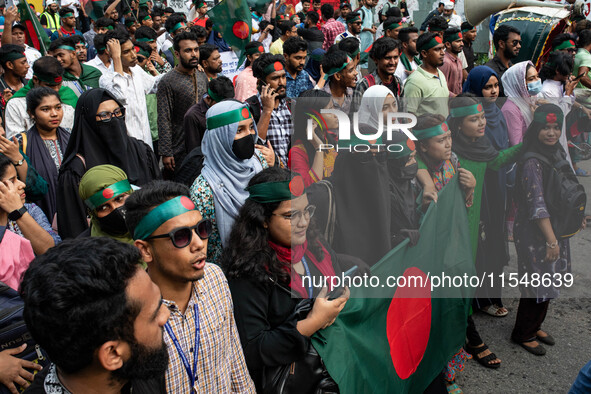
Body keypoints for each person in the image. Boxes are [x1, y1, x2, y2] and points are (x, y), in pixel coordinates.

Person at [222, 167, 349, 392]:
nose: (303, 222)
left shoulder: (317, 249)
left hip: (334, 369)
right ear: (262, 220)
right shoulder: (248, 272)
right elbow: (252, 350)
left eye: (307, 211)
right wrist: (312, 322)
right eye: (291, 215)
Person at [124, 181, 256, 392]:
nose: (199, 243)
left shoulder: (215, 279)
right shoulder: (135, 317)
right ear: (145, 250)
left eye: (202, 229)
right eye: (181, 236)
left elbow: (234, 358)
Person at [19, 237, 170, 393]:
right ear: (112, 354)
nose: (166, 315)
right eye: (154, 315)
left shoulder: (137, 367)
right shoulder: (141, 359)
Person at [511, 104, 582, 356]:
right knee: (536, 282)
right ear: (535, 128)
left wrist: (577, 217)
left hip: (555, 229)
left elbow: (566, 188)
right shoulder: (532, 161)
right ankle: (523, 332)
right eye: (545, 128)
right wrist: (551, 241)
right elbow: (537, 205)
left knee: (550, 280)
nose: (551, 133)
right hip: (537, 233)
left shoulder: (556, 151)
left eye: (556, 128)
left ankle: (536, 325)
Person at [57, 89, 160, 239]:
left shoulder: (141, 151)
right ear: (89, 120)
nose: (114, 119)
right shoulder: (76, 170)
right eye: (104, 115)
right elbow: (74, 228)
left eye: (118, 112)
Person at [189, 100, 273, 264]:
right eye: (239, 130)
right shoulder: (204, 190)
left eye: (250, 127)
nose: (249, 135)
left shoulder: (258, 162)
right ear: (220, 137)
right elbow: (208, 248)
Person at [463, 65, 511, 316]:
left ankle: (493, 295)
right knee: (480, 242)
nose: (493, 92)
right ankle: (479, 301)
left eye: (496, 86)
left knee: (494, 239)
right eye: (487, 87)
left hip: (498, 184)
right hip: (480, 186)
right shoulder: (466, 118)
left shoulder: (497, 114)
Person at [11, 88, 69, 225]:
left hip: (74, 211)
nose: (54, 114)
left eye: (58, 107)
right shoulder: (20, 143)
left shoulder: (71, 137)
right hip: (40, 215)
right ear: (31, 113)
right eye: (45, 109)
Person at [0, 154, 59, 288]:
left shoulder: (30, 210)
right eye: (12, 180)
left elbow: (51, 250)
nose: (22, 184)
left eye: (18, 178)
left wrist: (18, 211)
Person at [99, 30, 160, 149]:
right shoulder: (106, 79)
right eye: (126, 52)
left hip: (146, 143)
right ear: (110, 53)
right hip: (127, 146)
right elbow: (121, 96)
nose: (133, 55)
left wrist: (180, 69)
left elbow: (154, 85)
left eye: (133, 49)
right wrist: (116, 58)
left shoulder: (136, 70)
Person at [157, 31, 207, 177]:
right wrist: (166, 152)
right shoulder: (168, 81)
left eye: (196, 50)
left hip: (204, 144)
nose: (194, 54)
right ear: (177, 54)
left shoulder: (201, 75)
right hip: (180, 147)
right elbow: (164, 117)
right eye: (188, 50)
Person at [5, 56, 77, 139]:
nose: (56, 90)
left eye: (59, 84)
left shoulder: (69, 97)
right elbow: (15, 140)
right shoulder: (16, 104)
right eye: (50, 86)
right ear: (35, 80)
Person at [246, 54, 293, 167]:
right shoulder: (250, 108)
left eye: (283, 76)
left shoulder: (291, 106)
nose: (281, 82)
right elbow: (255, 146)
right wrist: (267, 110)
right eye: (275, 78)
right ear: (260, 82)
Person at [289, 89, 339, 186]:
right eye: (329, 110)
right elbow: (310, 188)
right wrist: (318, 148)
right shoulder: (297, 152)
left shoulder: (331, 139)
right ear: (312, 118)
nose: (335, 115)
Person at [77, 164, 134, 242]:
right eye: (104, 208)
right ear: (93, 213)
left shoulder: (154, 228)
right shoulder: (85, 249)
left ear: (131, 193)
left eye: (119, 199)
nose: (115, 209)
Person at [184, 76, 235, 153]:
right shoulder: (193, 116)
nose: (226, 108)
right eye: (222, 105)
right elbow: (194, 150)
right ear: (208, 99)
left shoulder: (231, 108)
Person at [404, 32, 449, 117]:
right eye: (437, 49)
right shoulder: (415, 82)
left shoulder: (440, 74)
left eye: (443, 49)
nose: (443, 53)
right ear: (424, 53)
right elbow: (408, 117)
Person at [351, 37, 402, 111]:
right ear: (375, 59)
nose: (393, 62)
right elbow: (358, 117)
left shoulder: (398, 83)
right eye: (387, 58)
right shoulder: (364, 85)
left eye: (395, 57)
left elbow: (403, 115)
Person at [0, 8, 42, 80]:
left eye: (21, 33)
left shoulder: (35, 52)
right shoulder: (8, 53)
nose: (19, 36)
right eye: (15, 34)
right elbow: (6, 46)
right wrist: (8, 22)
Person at [485, 25, 521, 97]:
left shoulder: (513, 68)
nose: (519, 46)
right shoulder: (489, 71)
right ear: (501, 44)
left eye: (520, 43)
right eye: (515, 42)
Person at [440, 27, 464, 96]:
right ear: (448, 44)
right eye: (458, 41)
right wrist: (455, 97)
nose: (462, 44)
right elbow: (441, 87)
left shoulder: (458, 61)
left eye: (461, 41)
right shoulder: (445, 62)